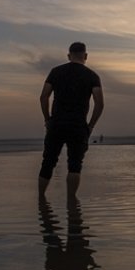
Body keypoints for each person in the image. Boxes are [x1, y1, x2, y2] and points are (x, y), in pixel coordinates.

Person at [39, 42, 104, 202]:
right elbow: (99, 103)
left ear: (69, 56)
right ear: (85, 56)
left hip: (57, 124)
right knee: (75, 164)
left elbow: (43, 96)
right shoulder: (92, 76)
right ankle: (71, 201)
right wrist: (90, 126)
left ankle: (41, 199)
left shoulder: (56, 72)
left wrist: (47, 119)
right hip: (78, 125)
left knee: (48, 162)